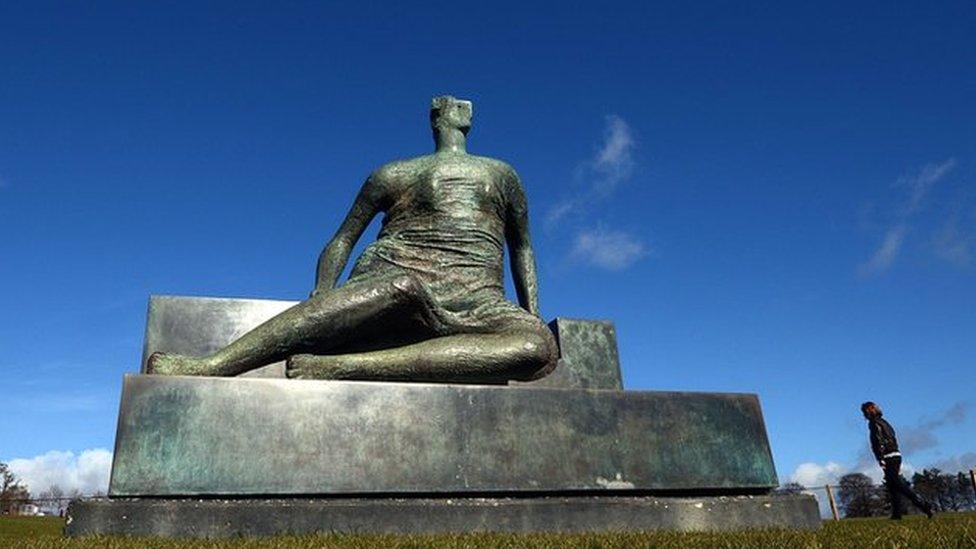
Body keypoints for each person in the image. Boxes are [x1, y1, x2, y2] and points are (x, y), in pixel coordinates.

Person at [147, 96, 558, 383]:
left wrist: (534, 313)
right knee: (403, 286)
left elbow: (521, 246)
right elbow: (343, 239)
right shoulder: (393, 174)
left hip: (480, 302)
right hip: (397, 279)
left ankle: (343, 367)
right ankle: (214, 365)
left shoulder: (503, 175)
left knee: (537, 346)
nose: (456, 112)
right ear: (439, 119)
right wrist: (323, 294)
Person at [861, 401, 934, 519]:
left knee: (898, 484)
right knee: (892, 486)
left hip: (888, 456)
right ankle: (897, 514)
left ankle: (923, 504)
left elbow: (877, 441)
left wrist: (880, 457)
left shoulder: (874, 424)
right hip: (896, 454)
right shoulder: (885, 423)